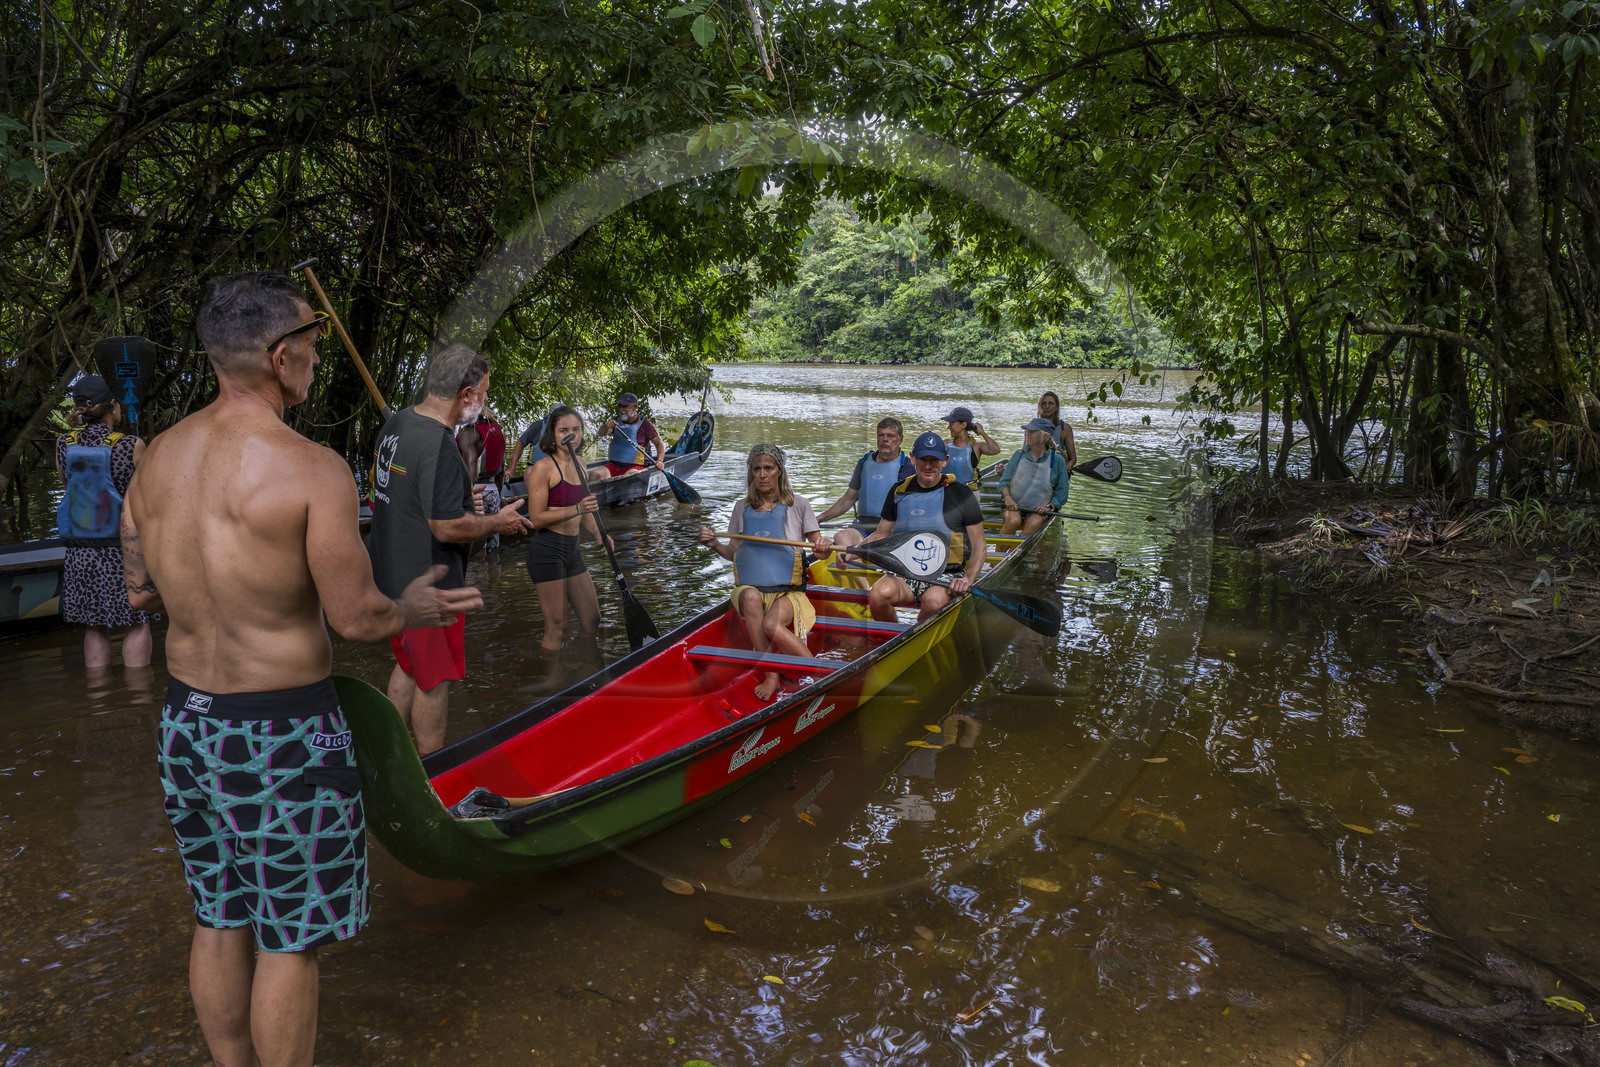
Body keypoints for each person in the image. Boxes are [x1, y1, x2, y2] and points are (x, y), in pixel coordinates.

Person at [121, 270, 482, 1067]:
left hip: (188, 723)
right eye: (314, 350)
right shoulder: (312, 467)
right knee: (291, 936)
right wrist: (413, 608)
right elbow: (356, 617)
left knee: (218, 912)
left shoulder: (158, 460)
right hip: (280, 731)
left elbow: (138, 585)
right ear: (280, 358)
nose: (318, 363)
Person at [368, 344, 534, 754]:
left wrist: (461, 502)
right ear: (466, 395)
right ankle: (434, 774)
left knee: (408, 668)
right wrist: (498, 521)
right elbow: (444, 527)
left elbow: (393, 492)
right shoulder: (441, 445)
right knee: (433, 681)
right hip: (431, 585)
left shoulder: (399, 423)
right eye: (484, 393)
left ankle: (390, 758)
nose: (485, 402)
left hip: (392, 576)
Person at [699, 444, 827, 703]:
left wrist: (823, 547)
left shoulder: (799, 505)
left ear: (780, 471)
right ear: (751, 473)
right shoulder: (740, 507)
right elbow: (733, 551)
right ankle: (772, 675)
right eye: (756, 469)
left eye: (768, 468)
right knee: (749, 598)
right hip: (754, 592)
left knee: (771, 625)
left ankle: (822, 674)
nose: (762, 474)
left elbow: (821, 550)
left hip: (788, 594)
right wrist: (714, 544)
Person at [54, 372, 155, 670]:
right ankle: (137, 696)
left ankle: (97, 695)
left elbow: (67, 484)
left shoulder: (64, 442)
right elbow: (148, 497)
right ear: (113, 405)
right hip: (123, 549)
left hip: (80, 550)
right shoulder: (129, 444)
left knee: (94, 624)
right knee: (138, 621)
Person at [833, 431, 986, 624]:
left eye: (934, 460)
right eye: (923, 459)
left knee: (934, 601)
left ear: (945, 460)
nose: (928, 466)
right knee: (878, 594)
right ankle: (891, 640)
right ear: (913, 458)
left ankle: (913, 637)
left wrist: (968, 578)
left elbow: (980, 545)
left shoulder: (962, 495)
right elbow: (881, 535)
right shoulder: (898, 491)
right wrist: (851, 553)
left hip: (947, 574)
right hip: (906, 572)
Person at [524, 406, 612, 652]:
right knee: (557, 627)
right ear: (552, 434)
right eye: (564, 430)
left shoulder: (581, 463)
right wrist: (577, 508)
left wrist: (599, 533)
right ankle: (554, 681)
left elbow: (585, 515)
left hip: (572, 551)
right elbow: (537, 519)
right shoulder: (543, 468)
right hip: (547, 551)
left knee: (591, 620)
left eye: (576, 429)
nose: (570, 435)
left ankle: (586, 670)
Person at [816, 417, 915, 551]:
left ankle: (855, 561)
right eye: (881, 435)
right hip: (861, 526)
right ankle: (857, 564)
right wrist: (819, 519)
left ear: (900, 439)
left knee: (879, 544)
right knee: (841, 536)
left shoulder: (909, 467)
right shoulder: (864, 463)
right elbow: (849, 498)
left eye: (890, 436)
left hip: (891, 530)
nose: (885, 439)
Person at [998, 417, 1073, 536]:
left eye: (1031, 432)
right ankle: (1000, 553)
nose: (1027, 434)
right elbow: (1003, 482)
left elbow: (1062, 492)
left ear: (1045, 436)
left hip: (1039, 510)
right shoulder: (1018, 455)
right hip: (1013, 505)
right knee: (1014, 521)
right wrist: (1008, 498)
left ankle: (1012, 553)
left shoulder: (1057, 460)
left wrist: (1050, 506)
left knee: (1033, 523)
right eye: (1026, 431)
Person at [456, 407, 506, 555]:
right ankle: (493, 574)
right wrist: (499, 496)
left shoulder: (468, 433)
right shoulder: (496, 430)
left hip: (475, 494)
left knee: (476, 550)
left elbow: (470, 474)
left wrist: (464, 498)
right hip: (493, 491)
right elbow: (501, 471)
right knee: (492, 545)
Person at [598, 392, 666, 477]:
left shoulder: (645, 423)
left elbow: (659, 444)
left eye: (625, 406)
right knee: (595, 474)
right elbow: (600, 434)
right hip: (615, 466)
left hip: (636, 467)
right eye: (620, 406)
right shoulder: (615, 421)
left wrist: (659, 461)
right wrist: (607, 426)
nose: (621, 410)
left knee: (628, 476)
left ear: (635, 407)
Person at [939, 405, 1000, 487]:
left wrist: (982, 433)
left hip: (969, 494)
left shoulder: (976, 446)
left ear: (963, 425)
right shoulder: (945, 444)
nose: (948, 427)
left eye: (951, 423)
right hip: (946, 491)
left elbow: (995, 450)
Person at [506, 405, 558, 486]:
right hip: (537, 468)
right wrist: (512, 468)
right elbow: (520, 443)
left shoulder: (567, 431)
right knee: (529, 471)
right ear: (549, 416)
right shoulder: (537, 427)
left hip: (558, 469)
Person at [1036, 390, 1077, 468]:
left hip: (1057, 471)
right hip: (1035, 472)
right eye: (1044, 403)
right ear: (1040, 406)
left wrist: (1064, 471)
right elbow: (1025, 452)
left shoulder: (1065, 429)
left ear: (1056, 407)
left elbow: (1073, 459)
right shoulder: (1032, 427)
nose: (1047, 406)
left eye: (1051, 403)